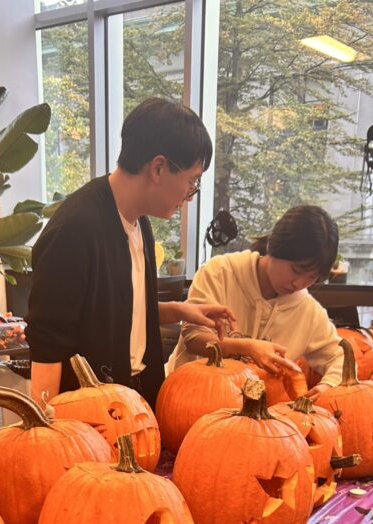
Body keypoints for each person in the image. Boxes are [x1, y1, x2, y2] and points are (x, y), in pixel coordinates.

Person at [27, 98, 236, 408]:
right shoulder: (74, 230)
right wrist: (46, 426)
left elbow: (120, 309)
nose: (191, 195)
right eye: (192, 181)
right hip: (90, 413)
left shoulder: (139, 223)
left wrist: (181, 311)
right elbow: (47, 345)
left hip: (135, 398)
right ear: (159, 168)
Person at [167, 204, 344, 395]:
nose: (299, 283)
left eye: (312, 277)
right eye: (296, 270)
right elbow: (194, 338)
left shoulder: (308, 311)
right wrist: (246, 348)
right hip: (191, 395)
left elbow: (340, 359)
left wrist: (327, 386)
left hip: (258, 411)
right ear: (275, 247)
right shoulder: (220, 272)